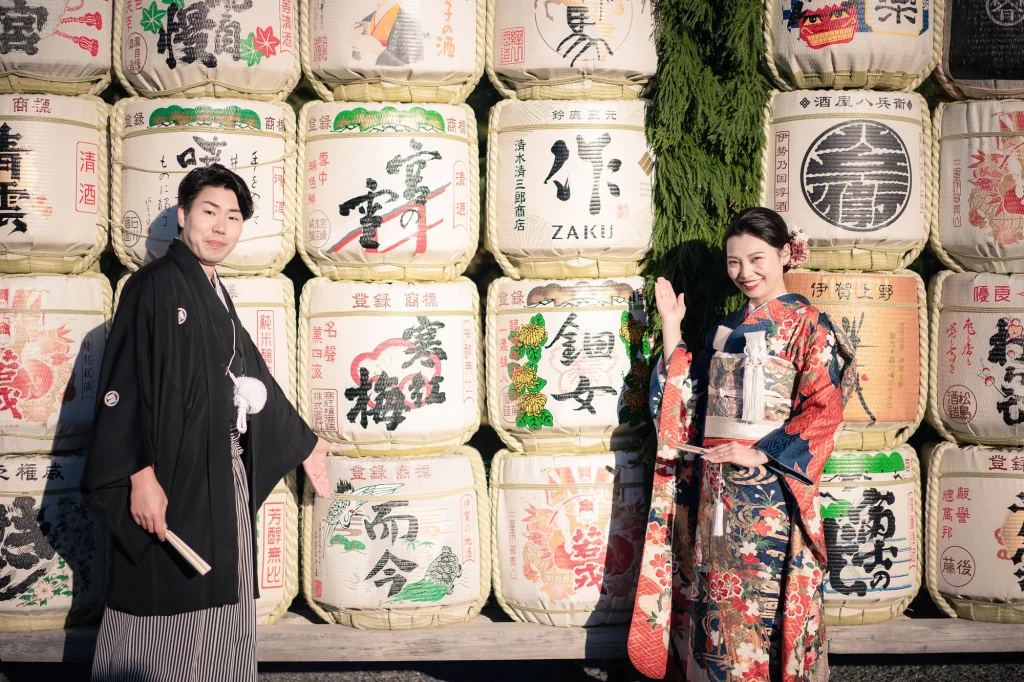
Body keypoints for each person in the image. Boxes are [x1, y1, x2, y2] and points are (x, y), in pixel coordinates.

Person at [82, 164, 334, 682]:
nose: (220, 227)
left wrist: (303, 442)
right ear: (183, 215)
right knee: (162, 597)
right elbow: (123, 383)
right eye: (209, 211)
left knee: (224, 597)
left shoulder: (214, 290)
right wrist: (138, 475)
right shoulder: (152, 286)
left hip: (221, 471)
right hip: (168, 473)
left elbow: (251, 371)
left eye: (233, 217)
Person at [627, 208, 855, 682]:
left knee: (759, 603)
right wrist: (672, 326)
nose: (745, 272)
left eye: (756, 259)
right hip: (716, 487)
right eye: (734, 262)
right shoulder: (726, 329)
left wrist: (762, 452)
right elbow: (688, 400)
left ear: (785, 254)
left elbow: (825, 408)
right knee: (714, 596)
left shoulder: (810, 325)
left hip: (769, 491)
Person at [351, 0, 424, 65]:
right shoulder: (366, 20)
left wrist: (379, 51)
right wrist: (356, 46)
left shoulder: (410, 25)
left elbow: (414, 69)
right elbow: (357, 62)